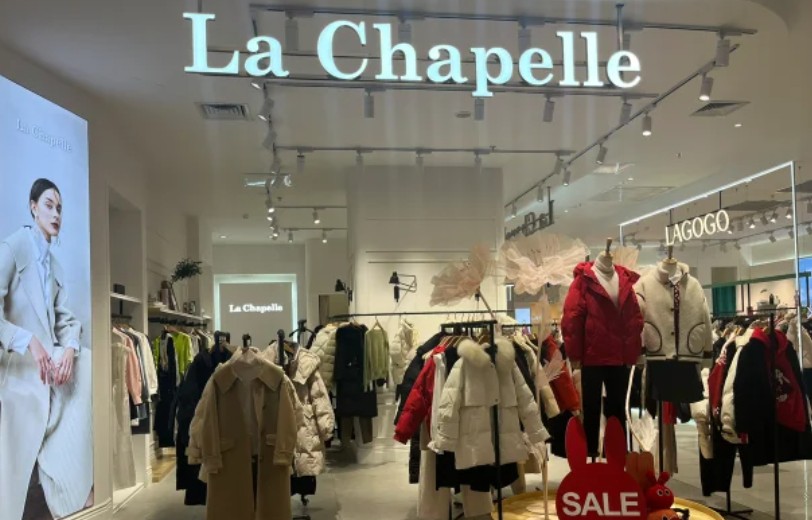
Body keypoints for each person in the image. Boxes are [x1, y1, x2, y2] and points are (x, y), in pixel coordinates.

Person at [0, 178, 93, 520]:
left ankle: (72, 487)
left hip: (49, 363)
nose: (56, 215)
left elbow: (66, 319)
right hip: (17, 365)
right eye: (49, 206)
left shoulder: (53, 263)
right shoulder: (13, 247)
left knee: (88, 362)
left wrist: (69, 349)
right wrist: (28, 341)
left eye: (60, 209)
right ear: (33, 207)